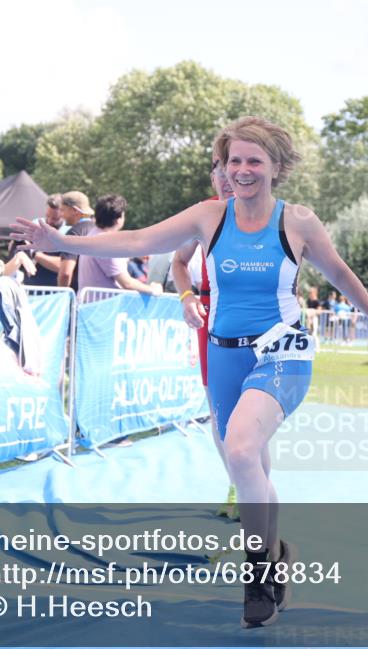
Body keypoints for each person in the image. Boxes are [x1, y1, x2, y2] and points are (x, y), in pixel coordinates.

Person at [12, 116, 368, 629]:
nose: (242, 170)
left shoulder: (298, 222)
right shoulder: (208, 217)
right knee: (249, 467)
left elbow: (340, 274)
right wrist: (63, 242)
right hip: (223, 355)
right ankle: (278, 553)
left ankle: (258, 574)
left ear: (276, 167)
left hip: (281, 353)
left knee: (240, 449)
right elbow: (138, 241)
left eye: (254, 161)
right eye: (234, 160)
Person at [171, 155, 238, 519]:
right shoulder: (202, 214)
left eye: (233, 172)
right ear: (213, 178)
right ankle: (237, 486)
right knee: (220, 412)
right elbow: (178, 262)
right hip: (212, 316)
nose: (227, 179)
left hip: (257, 318)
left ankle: (254, 489)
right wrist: (187, 297)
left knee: (253, 412)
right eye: (220, 173)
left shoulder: (267, 213)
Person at [76, 195, 162, 295]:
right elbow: (127, 283)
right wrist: (152, 289)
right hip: (105, 303)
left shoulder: (92, 235)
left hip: (90, 302)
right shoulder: (108, 244)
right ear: (118, 219)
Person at [7, 194, 67, 287]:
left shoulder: (69, 232)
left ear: (64, 214)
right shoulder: (36, 224)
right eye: (48, 216)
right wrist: (16, 245)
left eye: (55, 219)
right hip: (31, 285)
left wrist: (35, 254)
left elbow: (63, 266)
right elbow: (15, 249)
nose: (50, 221)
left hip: (54, 289)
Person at [57, 191, 95, 290]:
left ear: (74, 210)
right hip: (94, 293)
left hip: (76, 294)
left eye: (63, 210)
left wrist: (62, 294)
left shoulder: (74, 233)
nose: (61, 215)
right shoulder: (96, 229)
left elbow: (65, 273)